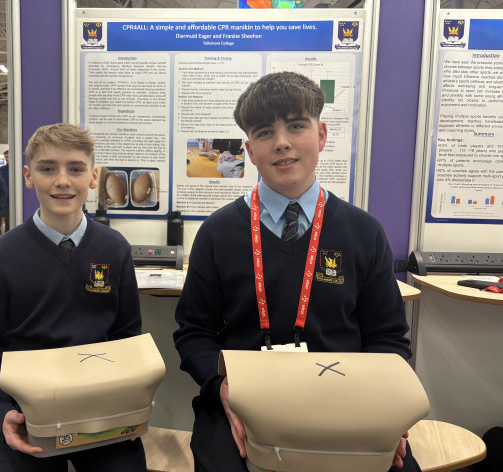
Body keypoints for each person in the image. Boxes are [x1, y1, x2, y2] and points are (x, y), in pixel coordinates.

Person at [173, 72, 419, 472]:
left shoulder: (363, 232)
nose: (282, 142)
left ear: (321, 135)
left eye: (296, 126)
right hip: (246, 402)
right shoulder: (218, 233)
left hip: (344, 401)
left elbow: (387, 338)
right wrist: (222, 388)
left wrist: (381, 408)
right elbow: (194, 332)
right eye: (265, 132)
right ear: (250, 151)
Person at [0, 123, 145, 471]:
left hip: (102, 412)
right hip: (30, 416)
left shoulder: (114, 248)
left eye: (75, 169)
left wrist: (130, 405)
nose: (62, 180)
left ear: (93, 177)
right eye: (47, 169)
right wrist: (1, 412)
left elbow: (127, 338)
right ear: (28, 176)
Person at [0, 149, 10, 232]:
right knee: (6, 219)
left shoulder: (18, 168)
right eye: (6, 157)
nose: (7, 158)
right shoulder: (1, 170)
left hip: (16, 197)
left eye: (8, 156)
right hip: (5, 198)